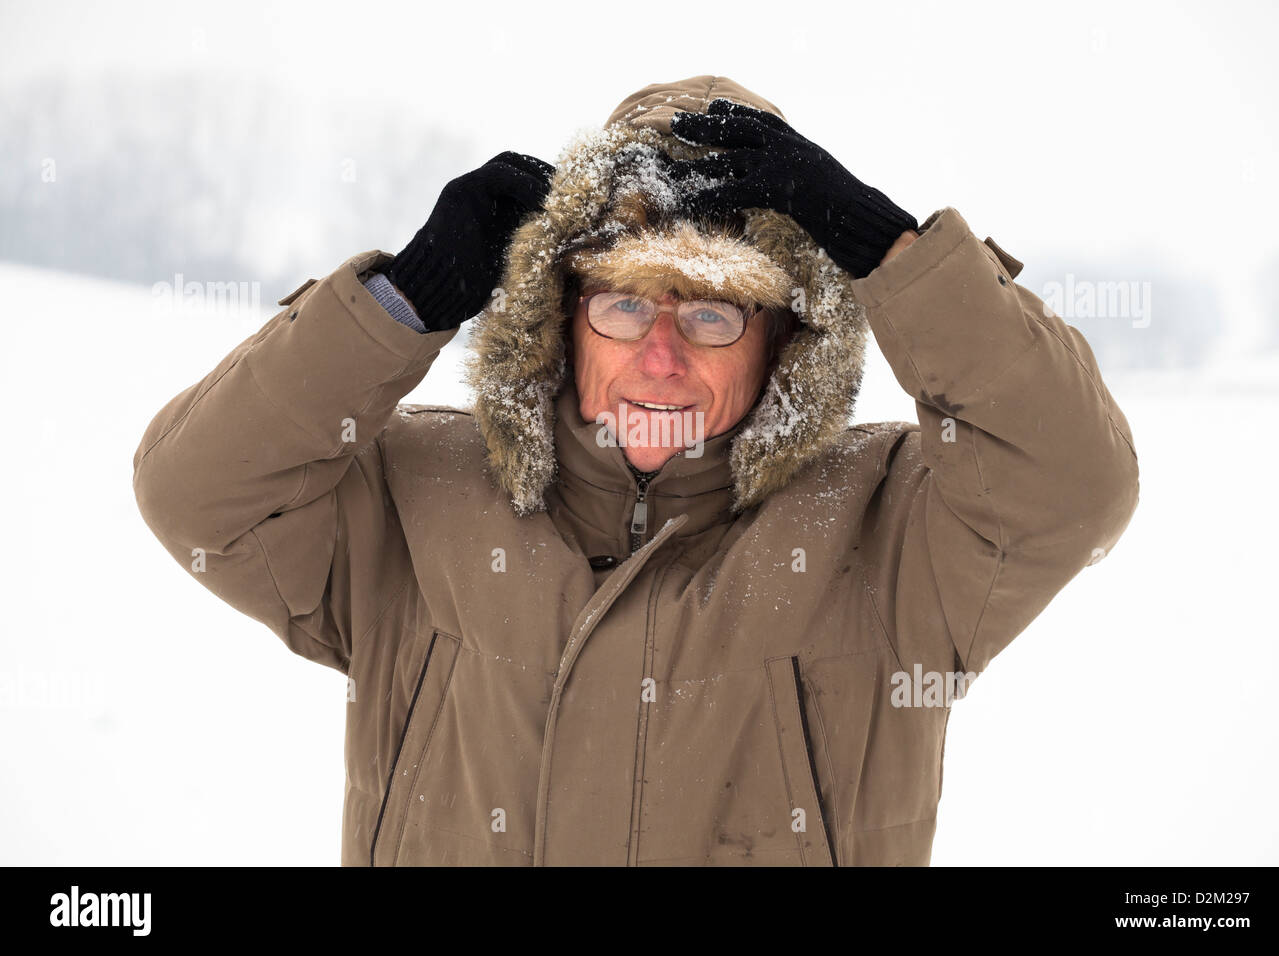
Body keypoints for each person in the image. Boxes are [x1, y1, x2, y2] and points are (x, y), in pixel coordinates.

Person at [132, 76, 1140, 866]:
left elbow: (1073, 482)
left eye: (711, 311)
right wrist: (404, 299)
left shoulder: (888, 525)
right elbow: (198, 489)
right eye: (621, 304)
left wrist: (894, 254)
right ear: (560, 319)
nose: (660, 357)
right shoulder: (417, 488)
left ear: (785, 339)